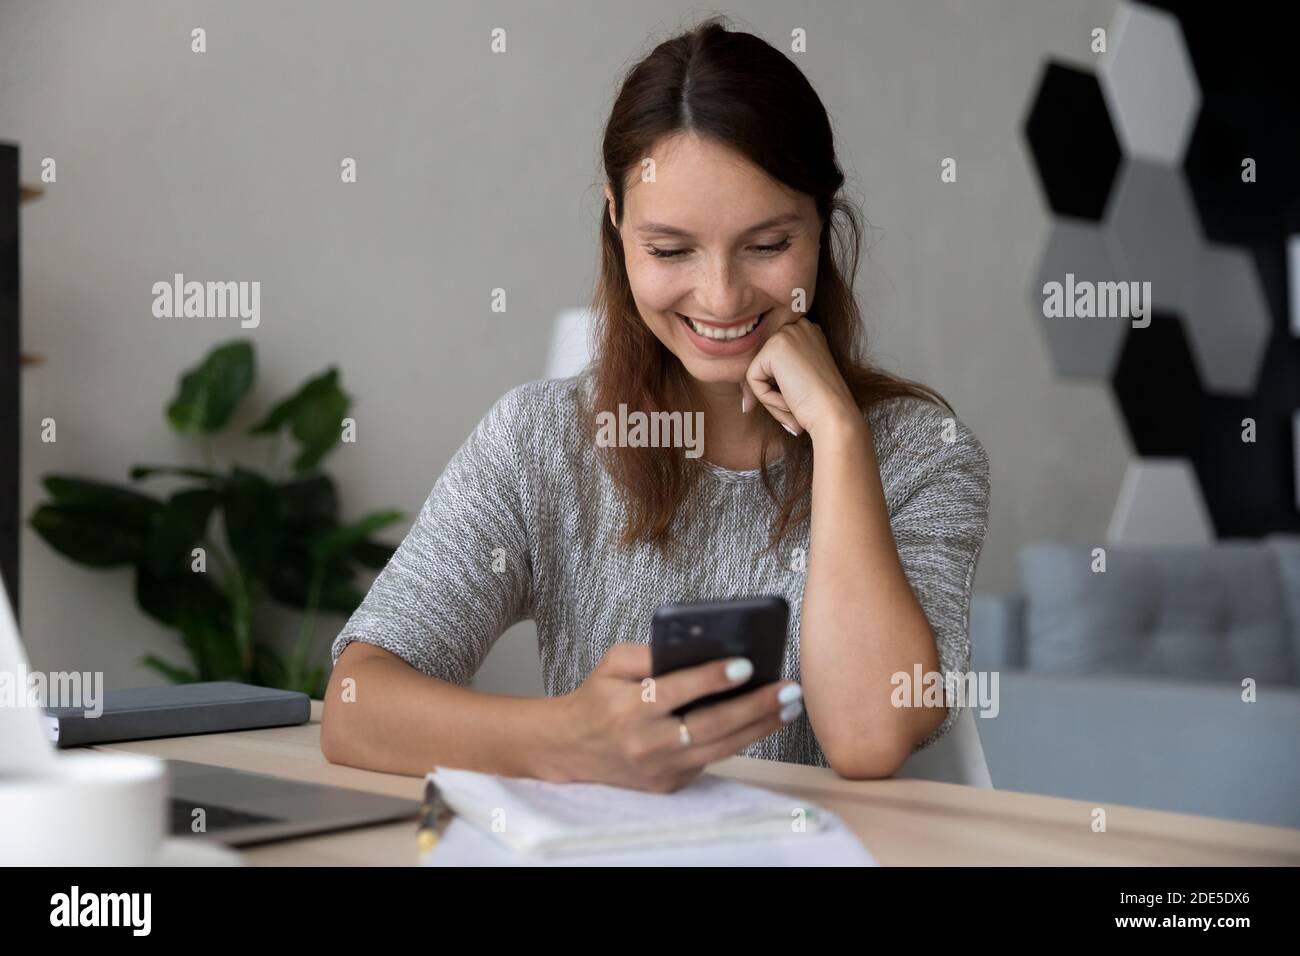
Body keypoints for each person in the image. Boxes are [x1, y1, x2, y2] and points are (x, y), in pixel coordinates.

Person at [321, 17, 990, 792]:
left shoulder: (921, 452)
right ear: (616, 220)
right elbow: (356, 703)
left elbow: (869, 735)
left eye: (768, 245)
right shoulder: (540, 440)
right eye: (671, 250)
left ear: (822, 224)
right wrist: (569, 738)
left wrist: (840, 437)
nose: (721, 297)